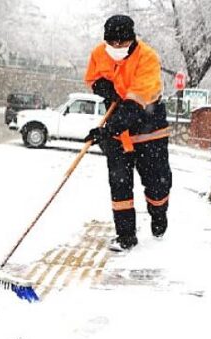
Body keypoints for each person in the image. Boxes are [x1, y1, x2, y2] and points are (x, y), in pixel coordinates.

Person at [83, 14, 172, 252]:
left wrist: (107, 129)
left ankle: (158, 214)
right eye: (111, 44)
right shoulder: (99, 53)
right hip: (118, 134)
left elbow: (135, 105)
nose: (115, 48)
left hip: (148, 128)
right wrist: (105, 88)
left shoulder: (148, 58)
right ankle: (126, 236)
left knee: (157, 184)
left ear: (132, 40)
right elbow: (92, 78)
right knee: (119, 184)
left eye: (121, 44)